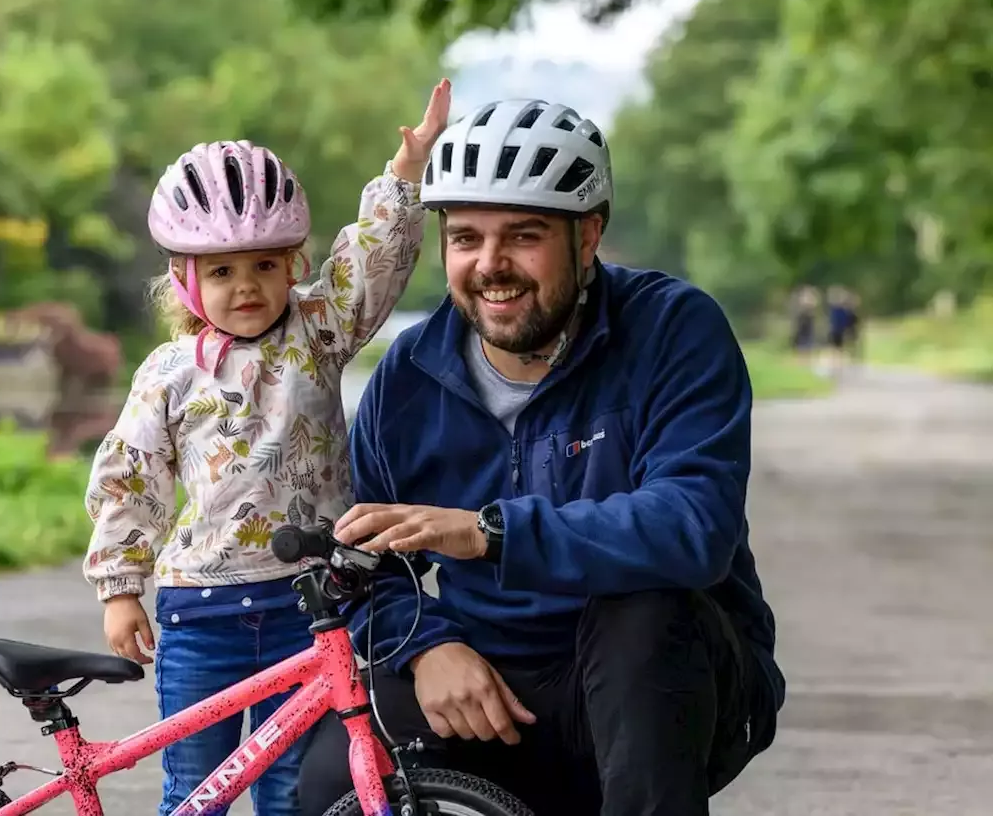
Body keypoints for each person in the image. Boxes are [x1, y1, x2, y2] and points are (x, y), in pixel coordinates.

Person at [296, 98, 785, 816]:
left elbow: (693, 526)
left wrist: (487, 531)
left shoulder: (674, 330)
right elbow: (369, 558)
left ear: (588, 235)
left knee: (642, 611)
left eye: (523, 236)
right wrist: (428, 647)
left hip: (664, 685)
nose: (491, 265)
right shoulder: (409, 375)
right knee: (335, 777)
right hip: (489, 684)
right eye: (465, 238)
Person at [81, 79, 451, 816]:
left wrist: (403, 176)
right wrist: (120, 588)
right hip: (200, 611)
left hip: (307, 605)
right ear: (185, 282)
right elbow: (130, 477)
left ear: (292, 265)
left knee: (291, 794)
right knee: (197, 791)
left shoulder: (316, 333)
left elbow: (370, 266)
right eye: (221, 271)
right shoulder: (169, 371)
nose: (245, 285)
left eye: (264, 265)